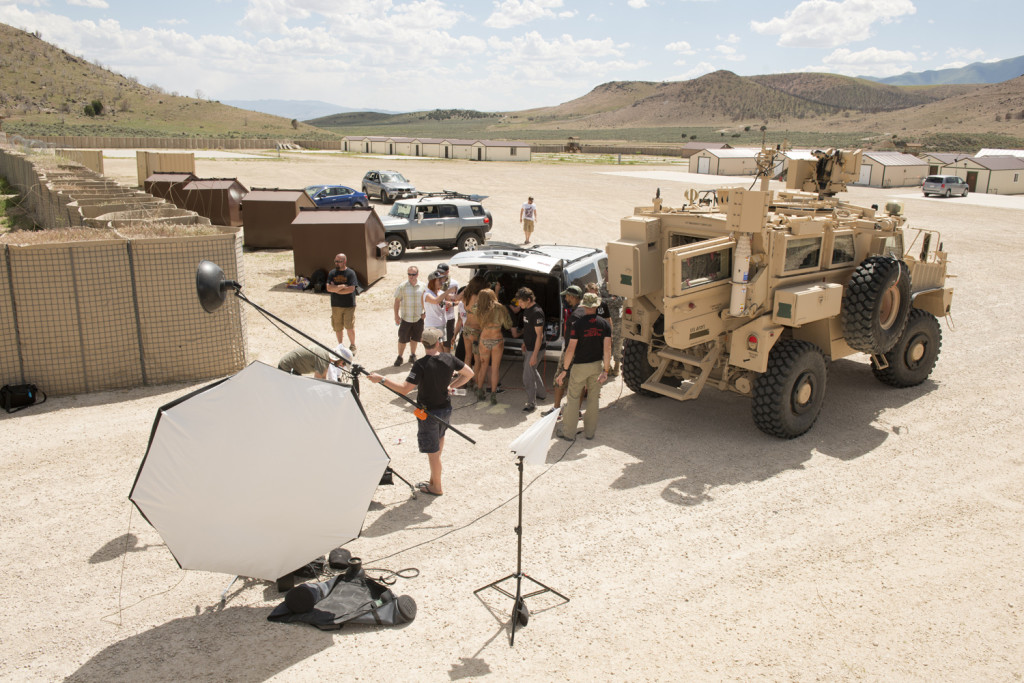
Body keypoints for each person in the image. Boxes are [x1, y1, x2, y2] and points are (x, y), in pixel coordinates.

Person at [367, 329, 474, 496]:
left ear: (423, 344)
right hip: (445, 409)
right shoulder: (449, 358)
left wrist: (382, 379)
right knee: (437, 448)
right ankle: (433, 481)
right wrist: (452, 386)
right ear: (437, 342)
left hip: (429, 413)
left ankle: (436, 487)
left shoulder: (420, 364)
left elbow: (404, 389)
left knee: (433, 454)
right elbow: (469, 373)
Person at [556, 292, 611, 441]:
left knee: (573, 398)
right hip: (596, 366)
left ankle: (568, 432)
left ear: (584, 306)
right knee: (593, 399)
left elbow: (570, 349)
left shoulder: (577, 324)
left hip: (580, 366)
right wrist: (606, 370)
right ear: (596, 305)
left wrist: (564, 370)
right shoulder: (605, 324)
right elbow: (607, 349)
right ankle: (589, 433)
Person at [542, 284, 583, 417]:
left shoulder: (575, 316)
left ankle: (556, 410)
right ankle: (576, 411)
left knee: (559, 379)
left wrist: (565, 366)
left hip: (572, 352)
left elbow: (572, 342)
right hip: (584, 354)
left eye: (567, 296)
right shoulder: (586, 311)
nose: (565, 298)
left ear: (573, 296)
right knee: (580, 383)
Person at [473, 287, 513, 404]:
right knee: (495, 369)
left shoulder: (478, 308)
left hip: (484, 340)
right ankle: (493, 396)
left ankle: (480, 392)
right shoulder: (500, 308)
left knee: (483, 367)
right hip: (497, 340)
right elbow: (508, 325)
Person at [511, 287, 547, 412]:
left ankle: (531, 403)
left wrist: (534, 355)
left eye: (521, 302)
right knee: (532, 370)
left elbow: (539, 335)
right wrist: (524, 342)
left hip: (536, 349)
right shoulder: (526, 310)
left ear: (529, 299)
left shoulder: (536, 312)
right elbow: (528, 329)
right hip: (529, 346)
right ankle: (542, 394)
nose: (519, 304)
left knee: (527, 376)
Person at [393, 265, 425, 366]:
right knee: (402, 339)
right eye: (409, 274)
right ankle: (400, 356)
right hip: (406, 318)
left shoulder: (423, 286)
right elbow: (397, 301)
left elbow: (427, 301)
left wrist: (426, 313)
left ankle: (412, 355)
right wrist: (396, 316)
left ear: (417, 274)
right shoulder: (402, 286)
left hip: (418, 318)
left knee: (415, 338)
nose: (411, 276)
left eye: (413, 274)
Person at [327, 253, 359, 353]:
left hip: (349, 305)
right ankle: (340, 345)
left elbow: (351, 289)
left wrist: (335, 289)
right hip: (336, 305)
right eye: (335, 261)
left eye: (339, 261)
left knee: (349, 326)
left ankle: (352, 345)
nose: (336, 263)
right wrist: (341, 286)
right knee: (337, 327)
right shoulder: (332, 273)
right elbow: (328, 288)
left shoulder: (350, 273)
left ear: (344, 262)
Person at [457, 276, 488, 376]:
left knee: (467, 356)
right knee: (477, 359)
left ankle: (464, 380)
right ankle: (475, 381)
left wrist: (468, 287)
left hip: (466, 329)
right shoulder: (481, 298)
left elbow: (456, 298)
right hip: (476, 330)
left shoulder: (466, 297)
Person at [277, 344, 353, 381]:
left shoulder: (326, 355)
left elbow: (323, 377)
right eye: (343, 363)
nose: (342, 366)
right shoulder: (323, 359)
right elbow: (318, 381)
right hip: (287, 368)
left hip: (291, 368)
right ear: (339, 358)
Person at [423, 270, 450, 346]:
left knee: (441, 350)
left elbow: (454, 298)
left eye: (441, 279)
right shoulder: (427, 294)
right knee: (436, 350)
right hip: (432, 326)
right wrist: (448, 291)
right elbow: (436, 301)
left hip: (441, 324)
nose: (441, 281)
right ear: (432, 281)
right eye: (439, 280)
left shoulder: (440, 292)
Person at [437, 263, 460, 353]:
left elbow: (459, 300)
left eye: (442, 272)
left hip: (449, 317)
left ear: (447, 272)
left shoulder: (454, 283)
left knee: (447, 343)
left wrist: (452, 304)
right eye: (438, 272)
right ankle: (442, 360)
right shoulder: (433, 282)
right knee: (437, 342)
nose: (440, 274)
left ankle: (446, 362)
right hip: (437, 317)